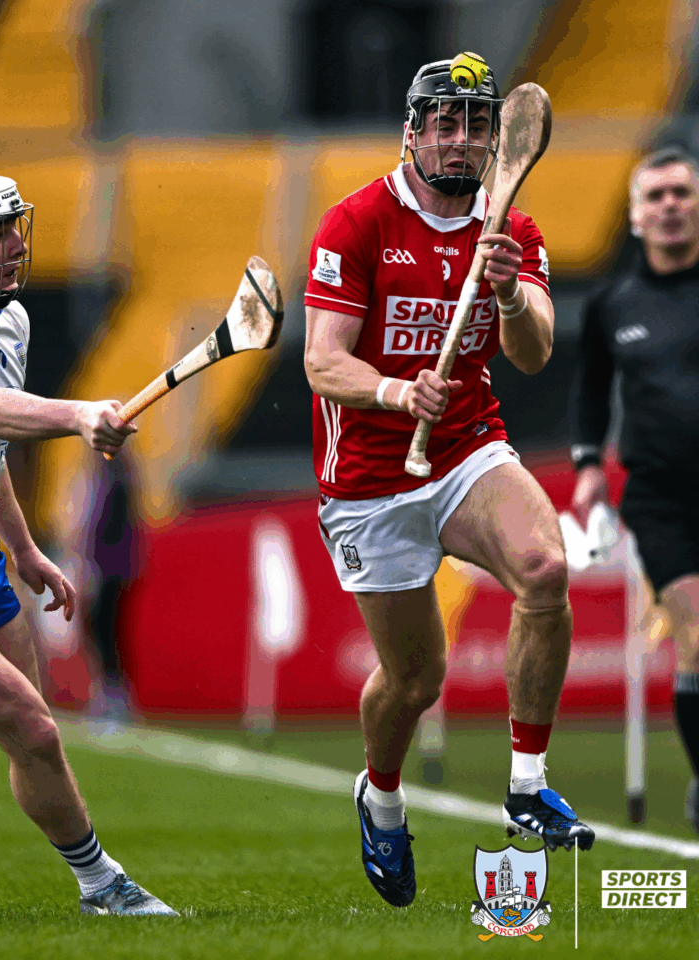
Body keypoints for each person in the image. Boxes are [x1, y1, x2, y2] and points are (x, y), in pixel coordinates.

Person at [304, 58, 595, 909]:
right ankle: (382, 799)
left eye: (476, 125)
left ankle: (527, 783)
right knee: (414, 682)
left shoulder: (511, 231)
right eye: (446, 123)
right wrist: (396, 390)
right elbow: (323, 363)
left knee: (545, 570)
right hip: (368, 478)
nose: (462, 141)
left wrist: (508, 295)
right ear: (413, 131)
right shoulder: (355, 222)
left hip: (466, 445)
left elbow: (533, 353)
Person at [0, 170, 177, 915]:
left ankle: (97, 885)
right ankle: (104, 885)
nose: (14, 245)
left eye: (14, 227)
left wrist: (25, 548)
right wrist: (76, 416)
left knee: (34, 737)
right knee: (32, 722)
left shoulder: (10, 323)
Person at [569, 145, 699, 835]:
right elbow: (591, 391)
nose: (670, 205)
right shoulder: (612, 305)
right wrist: (588, 464)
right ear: (635, 216)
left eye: (681, 192)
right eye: (655, 197)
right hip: (661, 497)